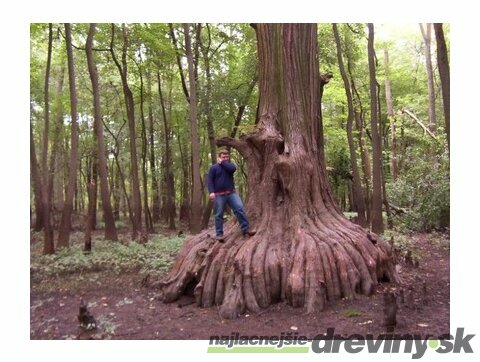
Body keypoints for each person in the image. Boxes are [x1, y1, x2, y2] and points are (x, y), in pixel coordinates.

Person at [207, 149, 255, 242]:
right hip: (219, 195)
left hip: (231, 193)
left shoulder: (230, 166)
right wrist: (211, 192)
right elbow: (210, 180)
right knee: (218, 214)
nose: (225, 158)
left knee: (239, 209)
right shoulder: (214, 168)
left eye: (227, 157)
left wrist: (222, 163)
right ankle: (219, 234)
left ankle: (245, 229)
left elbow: (232, 169)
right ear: (219, 157)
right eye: (223, 157)